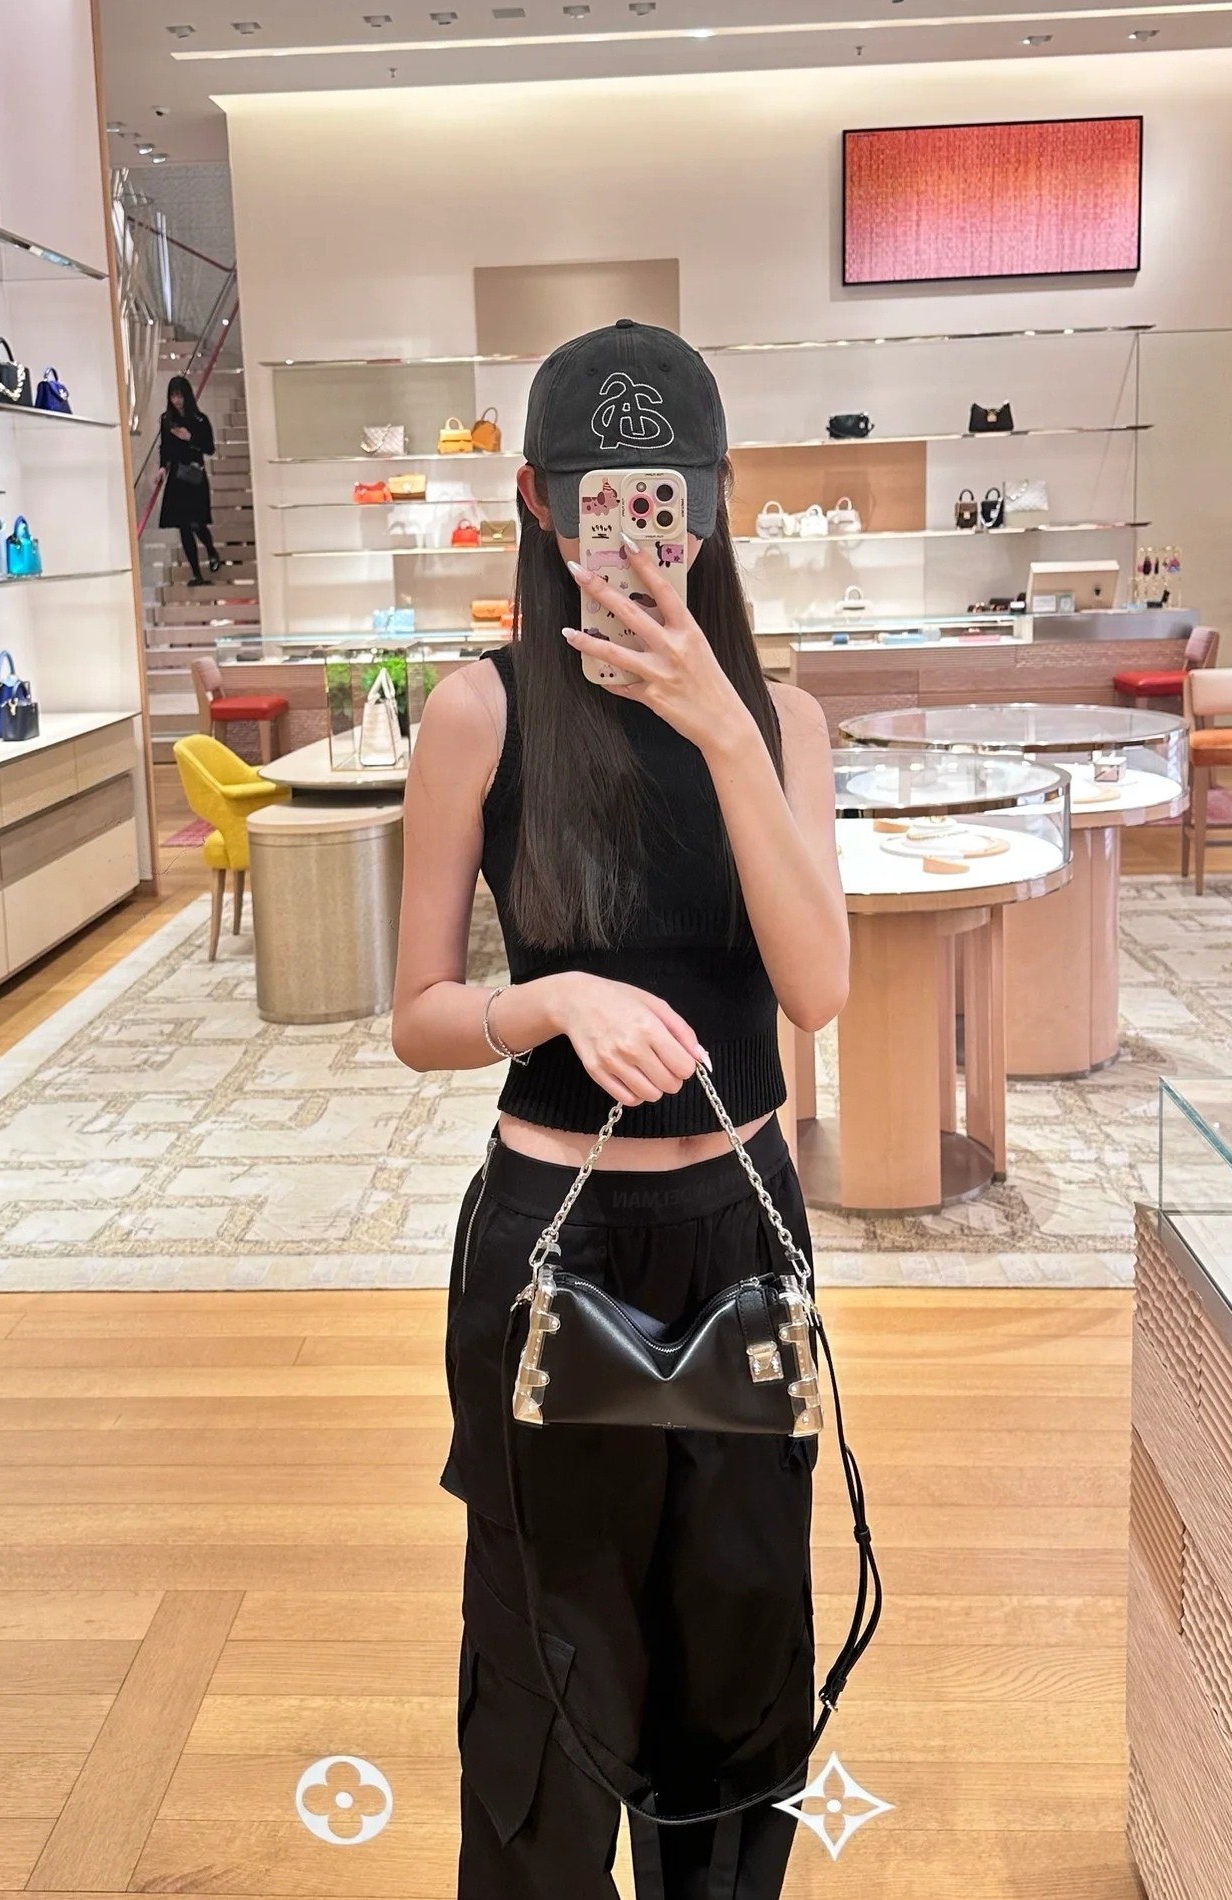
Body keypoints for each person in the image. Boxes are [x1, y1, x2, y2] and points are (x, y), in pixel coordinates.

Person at [392, 318, 851, 1900]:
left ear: (719, 503)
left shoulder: (784, 722)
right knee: (545, 1661)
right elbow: (419, 1016)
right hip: (551, 1242)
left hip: (740, 1231)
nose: (635, 536)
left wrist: (723, 721)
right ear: (536, 498)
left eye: (666, 501)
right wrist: (547, 1002)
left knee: (737, 1655)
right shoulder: (480, 712)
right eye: (599, 498)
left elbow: (817, 989)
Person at [159, 374, 221, 585]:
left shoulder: (199, 420)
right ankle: (196, 573)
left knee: (196, 523)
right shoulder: (167, 420)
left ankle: (211, 551)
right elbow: (165, 448)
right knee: (183, 526)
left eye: (179, 396)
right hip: (177, 477)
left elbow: (209, 448)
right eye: (173, 396)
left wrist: (190, 438)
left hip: (194, 476)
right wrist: (162, 468)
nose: (176, 400)